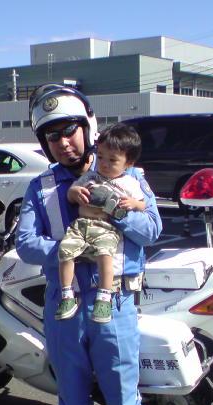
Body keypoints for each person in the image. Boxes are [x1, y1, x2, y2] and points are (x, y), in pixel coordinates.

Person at [16, 84, 161, 405]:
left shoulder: (129, 176)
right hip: (65, 308)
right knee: (72, 397)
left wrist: (116, 211)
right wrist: (71, 250)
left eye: (69, 131)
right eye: (52, 136)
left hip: (115, 303)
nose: (63, 143)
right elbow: (26, 244)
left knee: (124, 397)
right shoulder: (41, 188)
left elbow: (151, 230)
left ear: (88, 128)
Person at [56, 124, 147, 323]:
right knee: (65, 251)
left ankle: (104, 297)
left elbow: (143, 205)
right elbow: (71, 193)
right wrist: (74, 193)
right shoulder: (90, 176)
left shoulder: (130, 182)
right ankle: (67, 295)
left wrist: (132, 204)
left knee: (105, 256)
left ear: (128, 163)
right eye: (101, 157)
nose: (104, 164)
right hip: (81, 225)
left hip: (105, 228)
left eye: (112, 160)